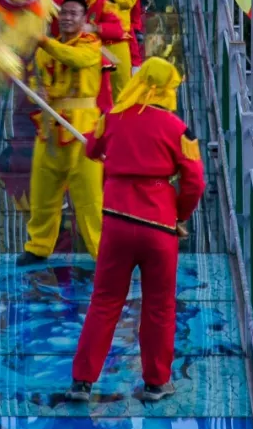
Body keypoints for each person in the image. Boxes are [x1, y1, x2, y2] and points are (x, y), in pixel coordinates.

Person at [67, 59, 205, 401]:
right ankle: (156, 383)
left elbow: (93, 148)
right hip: (158, 227)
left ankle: (83, 381)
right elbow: (195, 182)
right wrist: (179, 215)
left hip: (115, 223)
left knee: (104, 301)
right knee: (159, 306)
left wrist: (98, 141)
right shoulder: (179, 129)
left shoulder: (113, 119)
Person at [20, 0, 104, 263]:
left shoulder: (91, 45)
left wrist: (43, 40)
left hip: (83, 129)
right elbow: (36, 84)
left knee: (89, 197)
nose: (67, 17)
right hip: (50, 128)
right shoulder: (44, 51)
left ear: (84, 20)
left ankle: (101, 252)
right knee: (43, 192)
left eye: (74, 13)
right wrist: (37, 92)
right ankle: (38, 246)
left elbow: (75, 59)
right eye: (64, 13)